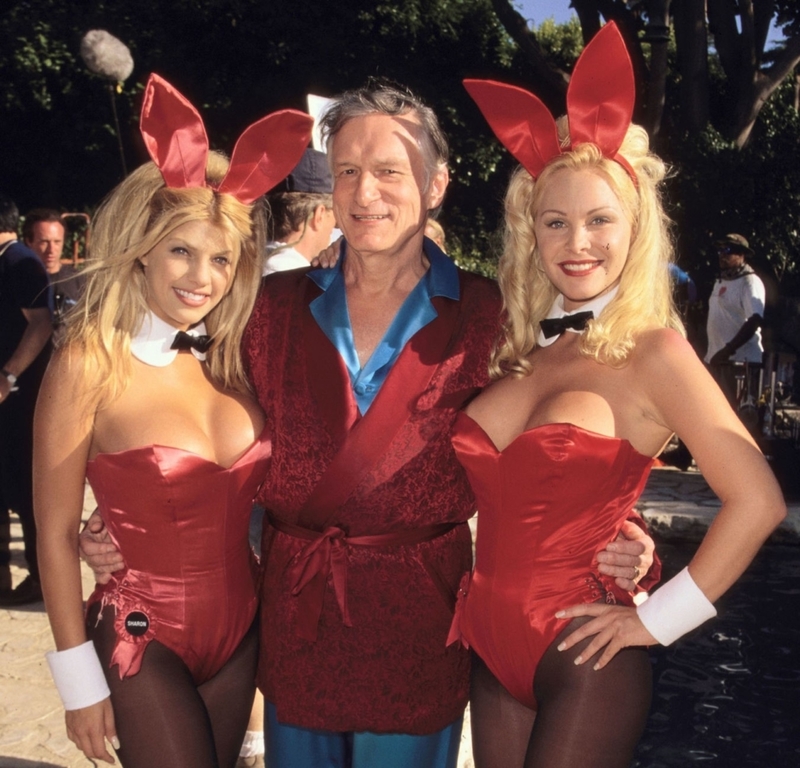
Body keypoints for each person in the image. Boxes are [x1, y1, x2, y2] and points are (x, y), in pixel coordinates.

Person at [81, 80, 657, 768]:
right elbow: (183, 410)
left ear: (437, 183)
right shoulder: (264, 308)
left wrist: (634, 536)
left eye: (389, 171)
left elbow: (576, 425)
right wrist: (129, 516)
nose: (364, 193)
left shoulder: (494, 315)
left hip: (418, 627)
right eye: (348, 171)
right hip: (298, 623)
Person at [453, 23, 786, 767]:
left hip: (587, 656)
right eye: (556, 221)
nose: (578, 242)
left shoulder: (656, 352)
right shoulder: (517, 346)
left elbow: (757, 499)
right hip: (489, 651)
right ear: (529, 233)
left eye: (601, 220)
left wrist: (657, 620)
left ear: (635, 230)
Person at [34, 73, 312, 767]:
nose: (203, 277)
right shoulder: (86, 362)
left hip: (242, 632)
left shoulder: (236, 361)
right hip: (141, 635)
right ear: (143, 249)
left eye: (222, 258)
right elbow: (53, 532)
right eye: (182, 251)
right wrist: (78, 684)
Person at [0, 193, 53, 606]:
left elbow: (40, 324)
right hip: (8, 400)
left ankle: (39, 580)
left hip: (19, 401)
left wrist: (8, 374)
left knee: (27, 494)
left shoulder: (20, 262)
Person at [705, 233, 766, 410]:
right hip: (717, 360)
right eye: (720, 251)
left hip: (739, 363)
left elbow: (754, 320)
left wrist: (728, 350)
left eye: (728, 250)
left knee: (734, 415)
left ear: (741, 254)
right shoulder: (722, 280)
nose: (722, 255)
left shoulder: (749, 282)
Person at [263, 148, 336, 275]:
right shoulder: (303, 285)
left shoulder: (243, 268)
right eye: (334, 214)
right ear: (319, 215)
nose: (334, 228)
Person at [23, 208, 87, 341]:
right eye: (44, 242)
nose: (51, 250)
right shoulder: (18, 282)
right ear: (29, 241)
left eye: (57, 242)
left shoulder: (80, 281)